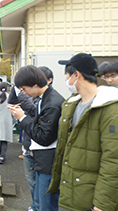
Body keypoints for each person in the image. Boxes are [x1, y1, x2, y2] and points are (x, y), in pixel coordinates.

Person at [48, 53, 118, 211]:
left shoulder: (110, 108)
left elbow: (113, 161)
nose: (66, 79)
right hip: (70, 192)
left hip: (91, 200)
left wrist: (102, 204)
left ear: (76, 75)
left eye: (67, 75)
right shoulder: (71, 104)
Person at [7, 65, 64, 211]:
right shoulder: (44, 98)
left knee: (46, 204)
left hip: (48, 160)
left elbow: (44, 137)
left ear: (35, 84)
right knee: (41, 200)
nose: (23, 93)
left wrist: (22, 118)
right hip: (42, 159)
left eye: (24, 89)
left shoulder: (52, 103)